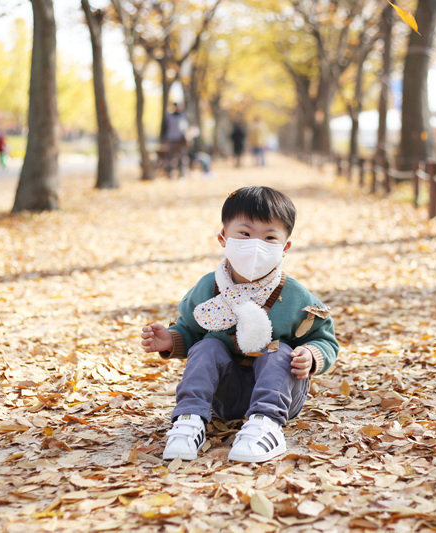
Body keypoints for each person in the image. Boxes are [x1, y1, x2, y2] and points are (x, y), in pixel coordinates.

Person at [141, 186, 340, 463]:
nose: (256, 245)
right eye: (245, 234)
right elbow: (191, 330)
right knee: (207, 346)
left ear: (285, 247)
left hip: (280, 394)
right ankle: (189, 420)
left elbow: (324, 339)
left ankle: (266, 426)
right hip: (225, 396)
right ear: (223, 237)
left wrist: (312, 355)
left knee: (278, 350)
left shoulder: (296, 297)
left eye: (269, 237)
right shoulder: (208, 288)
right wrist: (172, 339)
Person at [161, 102, 188, 179]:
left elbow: (186, 129)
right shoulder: (168, 117)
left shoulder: (183, 116)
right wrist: (164, 140)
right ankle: (169, 175)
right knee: (169, 158)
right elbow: (164, 129)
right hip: (170, 140)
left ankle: (182, 175)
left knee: (182, 158)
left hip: (180, 140)